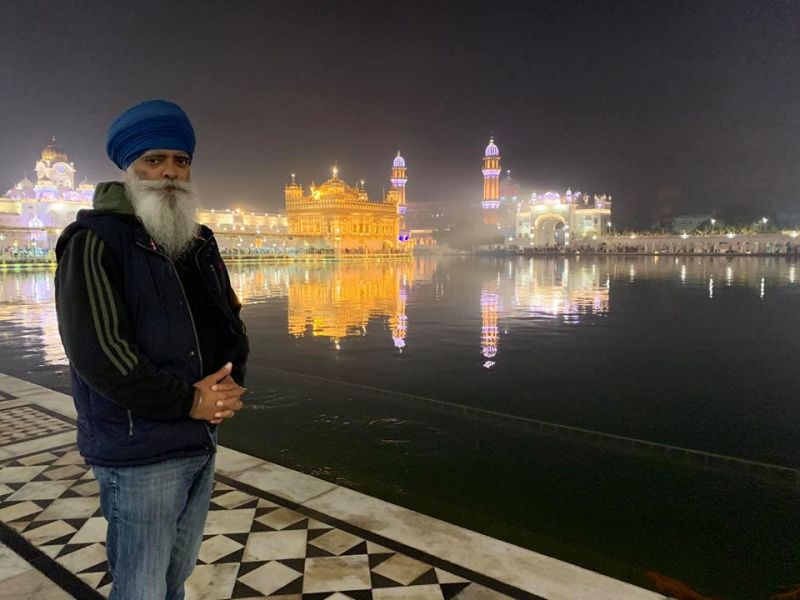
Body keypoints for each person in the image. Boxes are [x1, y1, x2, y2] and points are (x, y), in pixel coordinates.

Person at [54, 99, 249, 600]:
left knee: (173, 577)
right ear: (130, 167)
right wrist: (190, 401)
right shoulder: (95, 242)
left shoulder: (197, 241)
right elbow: (99, 354)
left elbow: (228, 323)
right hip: (138, 449)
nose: (169, 173)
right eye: (154, 160)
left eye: (180, 162)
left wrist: (227, 387)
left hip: (198, 439)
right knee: (142, 587)